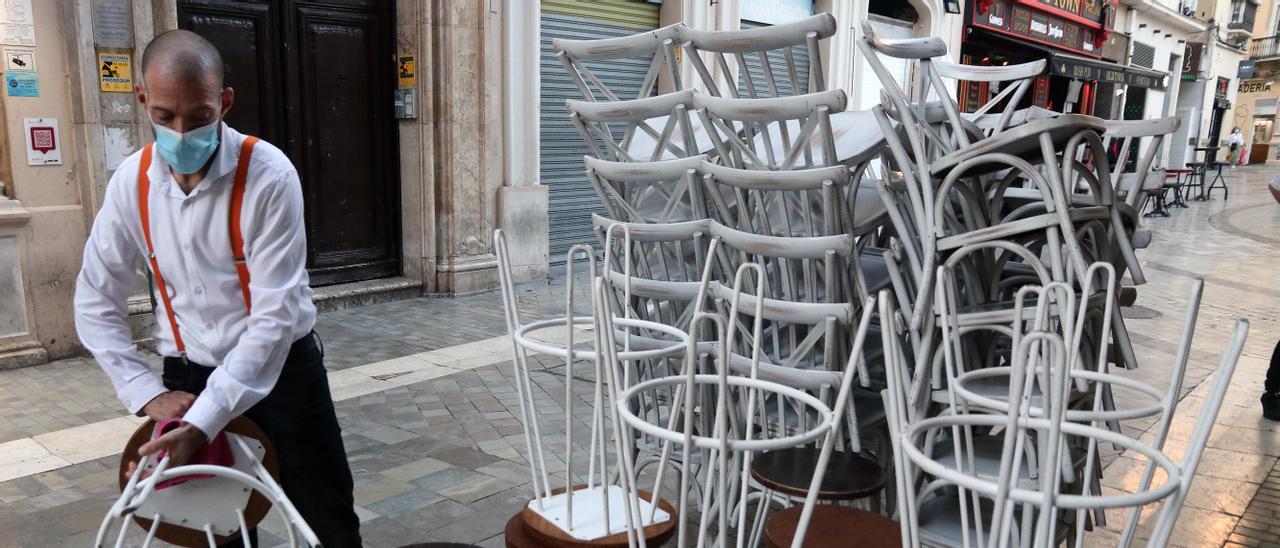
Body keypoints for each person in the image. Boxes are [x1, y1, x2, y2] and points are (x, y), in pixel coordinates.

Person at [73, 29, 361, 546]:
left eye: (200, 116)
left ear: (224, 102)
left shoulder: (269, 177)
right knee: (211, 531)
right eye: (164, 116)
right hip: (186, 378)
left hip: (284, 373)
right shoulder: (130, 183)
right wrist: (145, 393)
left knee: (328, 520)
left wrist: (207, 421)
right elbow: (95, 299)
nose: (182, 132)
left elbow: (273, 320)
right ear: (142, 99)